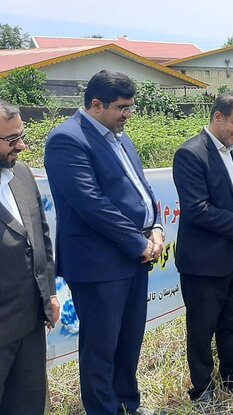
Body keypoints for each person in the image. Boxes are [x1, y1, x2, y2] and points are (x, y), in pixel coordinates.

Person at [44, 70, 164, 415]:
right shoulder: (67, 139)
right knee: (101, 347)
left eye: (130, 108)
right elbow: (90, 203)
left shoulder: (119, 136)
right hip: (98, 263)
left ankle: (129, 403)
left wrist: (155, 226)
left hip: (134, 256)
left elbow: (142, 187)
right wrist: (136, 242)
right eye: (121, 108)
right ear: (96, 104)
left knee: (129, 341)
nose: (127, 114)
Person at [172, 91, 233, 403]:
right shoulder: (190, 154)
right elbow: (197, 209)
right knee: (202, 329)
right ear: (218, 117)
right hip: (204, 263)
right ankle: (202, 389)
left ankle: (232, 378)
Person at [0, 101, 59, 414]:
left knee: (28, 405)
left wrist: (49, 294)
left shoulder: (21, 173)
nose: (21, 145)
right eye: (11, 140)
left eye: (21, 135)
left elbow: (41, 237)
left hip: (30, 326)